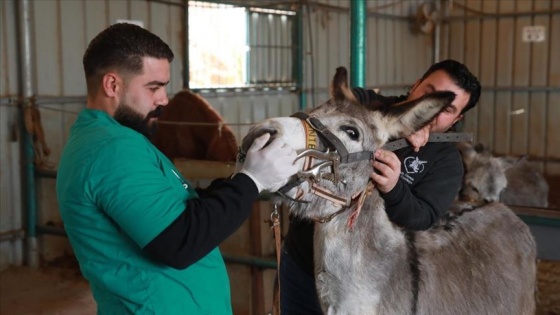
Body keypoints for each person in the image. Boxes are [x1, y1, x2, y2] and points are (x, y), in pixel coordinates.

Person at [56, 23, 299, 314]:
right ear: (112, 85)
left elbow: (180, 208)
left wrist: (240, 178)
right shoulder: (111, 150)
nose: (164, 100)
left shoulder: (116, 139)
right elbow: (180, 241)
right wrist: (251, 182)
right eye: (153, 87)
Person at [279, 59, 481, 314]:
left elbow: (424, 217)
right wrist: (395, 126)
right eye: (428, 94)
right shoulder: (361, 104)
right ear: (416, 84)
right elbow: (318, 125)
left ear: (456, 119)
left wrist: (394, 188)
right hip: (303, 264)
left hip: (370, 287)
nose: (430, 110)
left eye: (446, 108)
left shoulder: (446, 162)